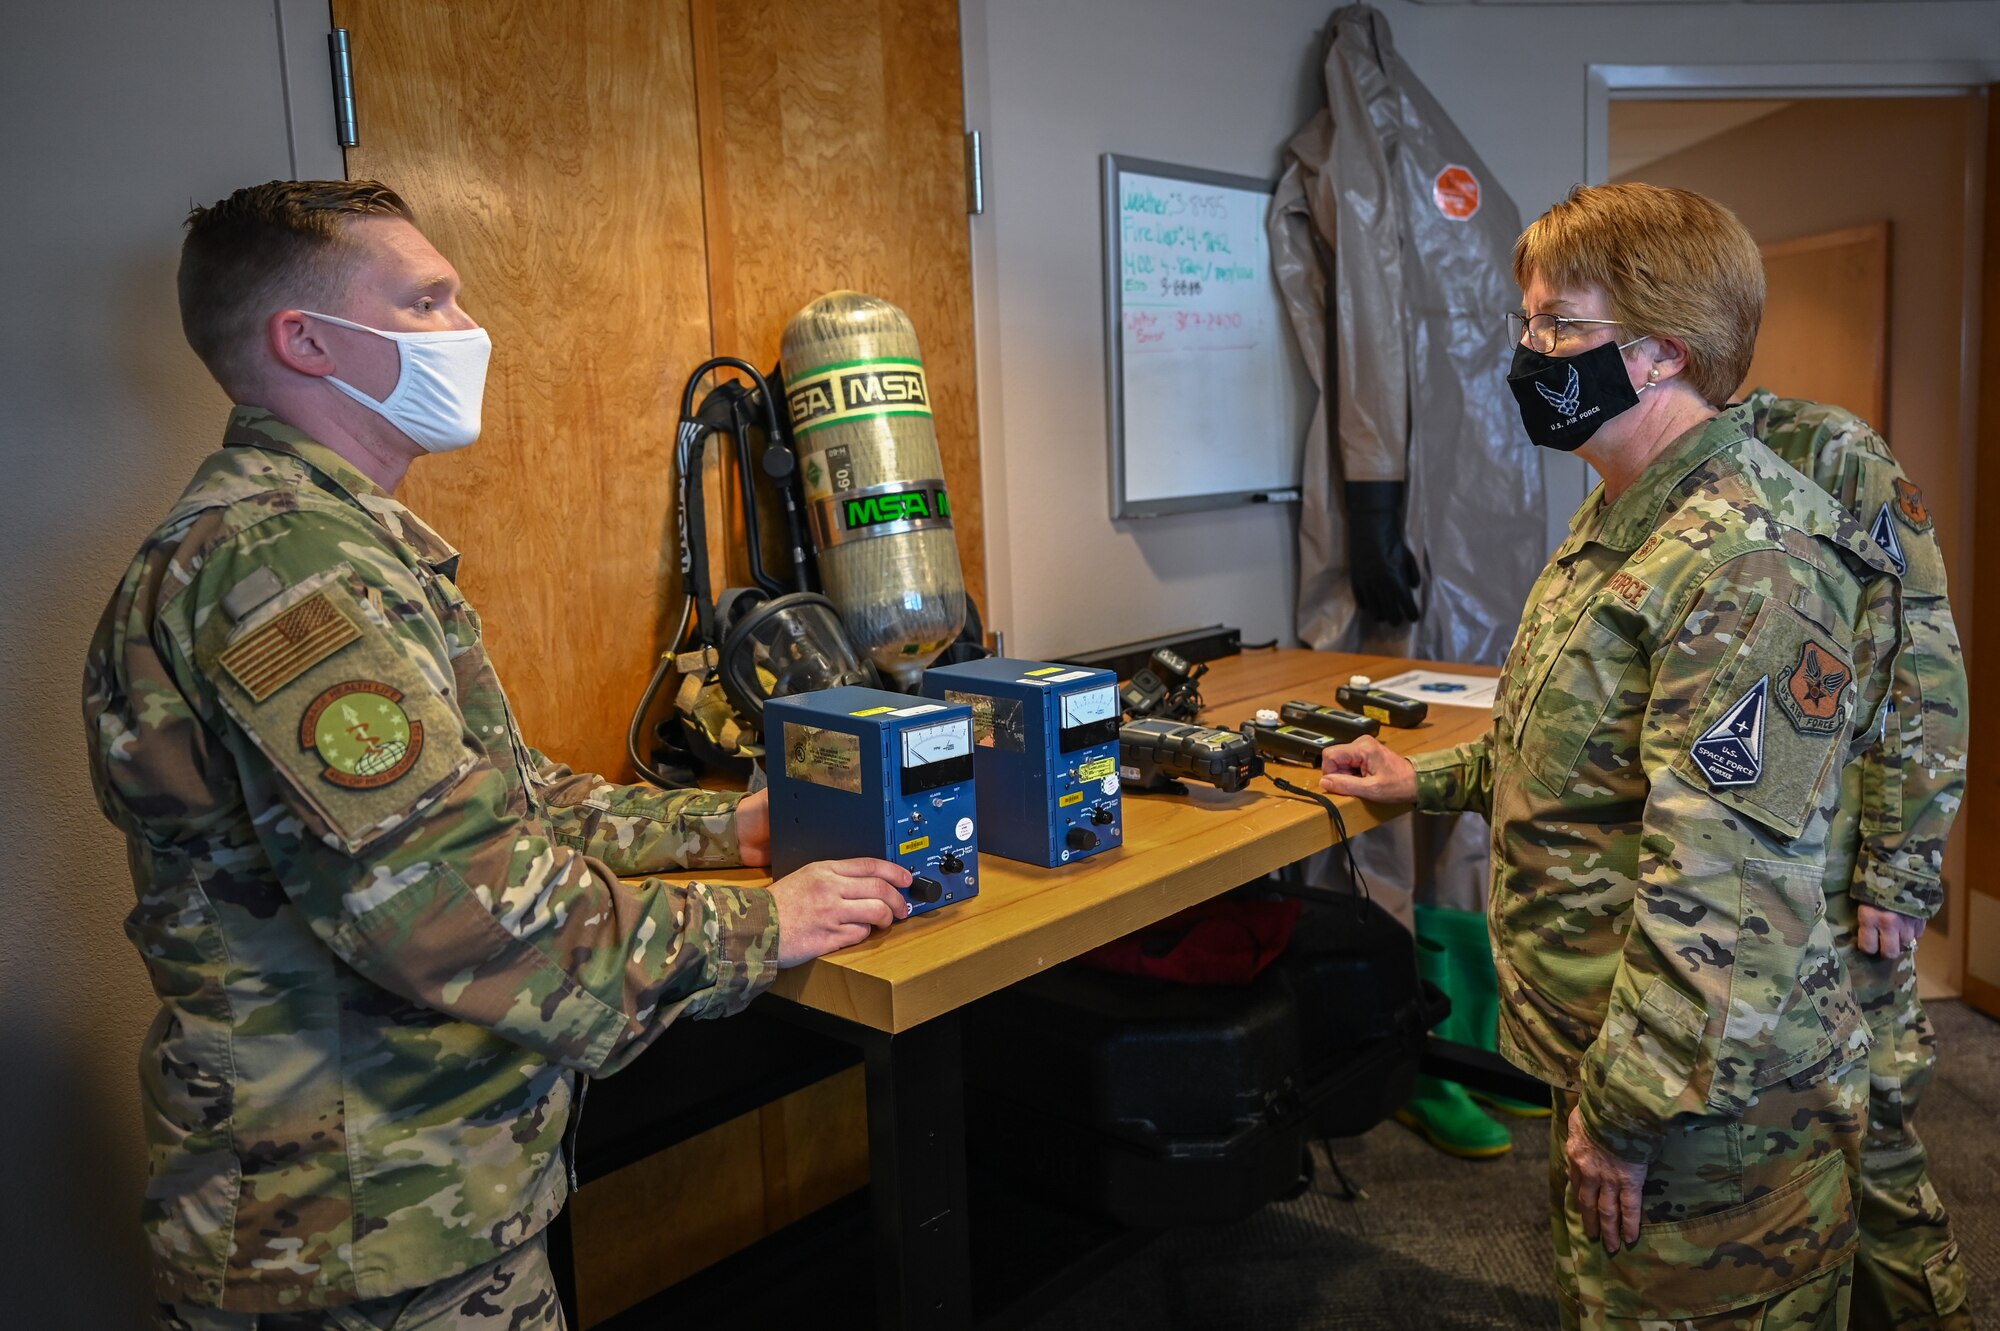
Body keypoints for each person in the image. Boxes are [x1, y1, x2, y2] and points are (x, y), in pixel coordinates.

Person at [83, 179, 915, 1330]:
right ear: (305, 339)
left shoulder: (336, 541)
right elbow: (455, 905)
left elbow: (506, 806)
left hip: (406, 1200)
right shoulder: (280, 569)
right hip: (353, 1231)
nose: (466, 329)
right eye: (426, 300)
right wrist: (762, 925)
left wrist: (727, 829)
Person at [1321, 183, 1904, 1331]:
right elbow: (1567, 738)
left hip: (1707, 1113)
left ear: (1660, 354)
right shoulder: (1622, 513)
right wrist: (1422, 779)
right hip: (1619, 1061)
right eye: (1525, 321)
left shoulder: (1750, 563)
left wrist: (1626, 1113)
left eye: (1559, 325)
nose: (1527, 351)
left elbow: (1727, 895)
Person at [1744, 388, 1973, 1329]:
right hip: (1745, 868)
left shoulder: (1827, 450)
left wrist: (1903, 866)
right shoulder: (1660, 463)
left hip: (1840, 870)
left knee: (1870, 1127)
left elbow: (1923, 658)